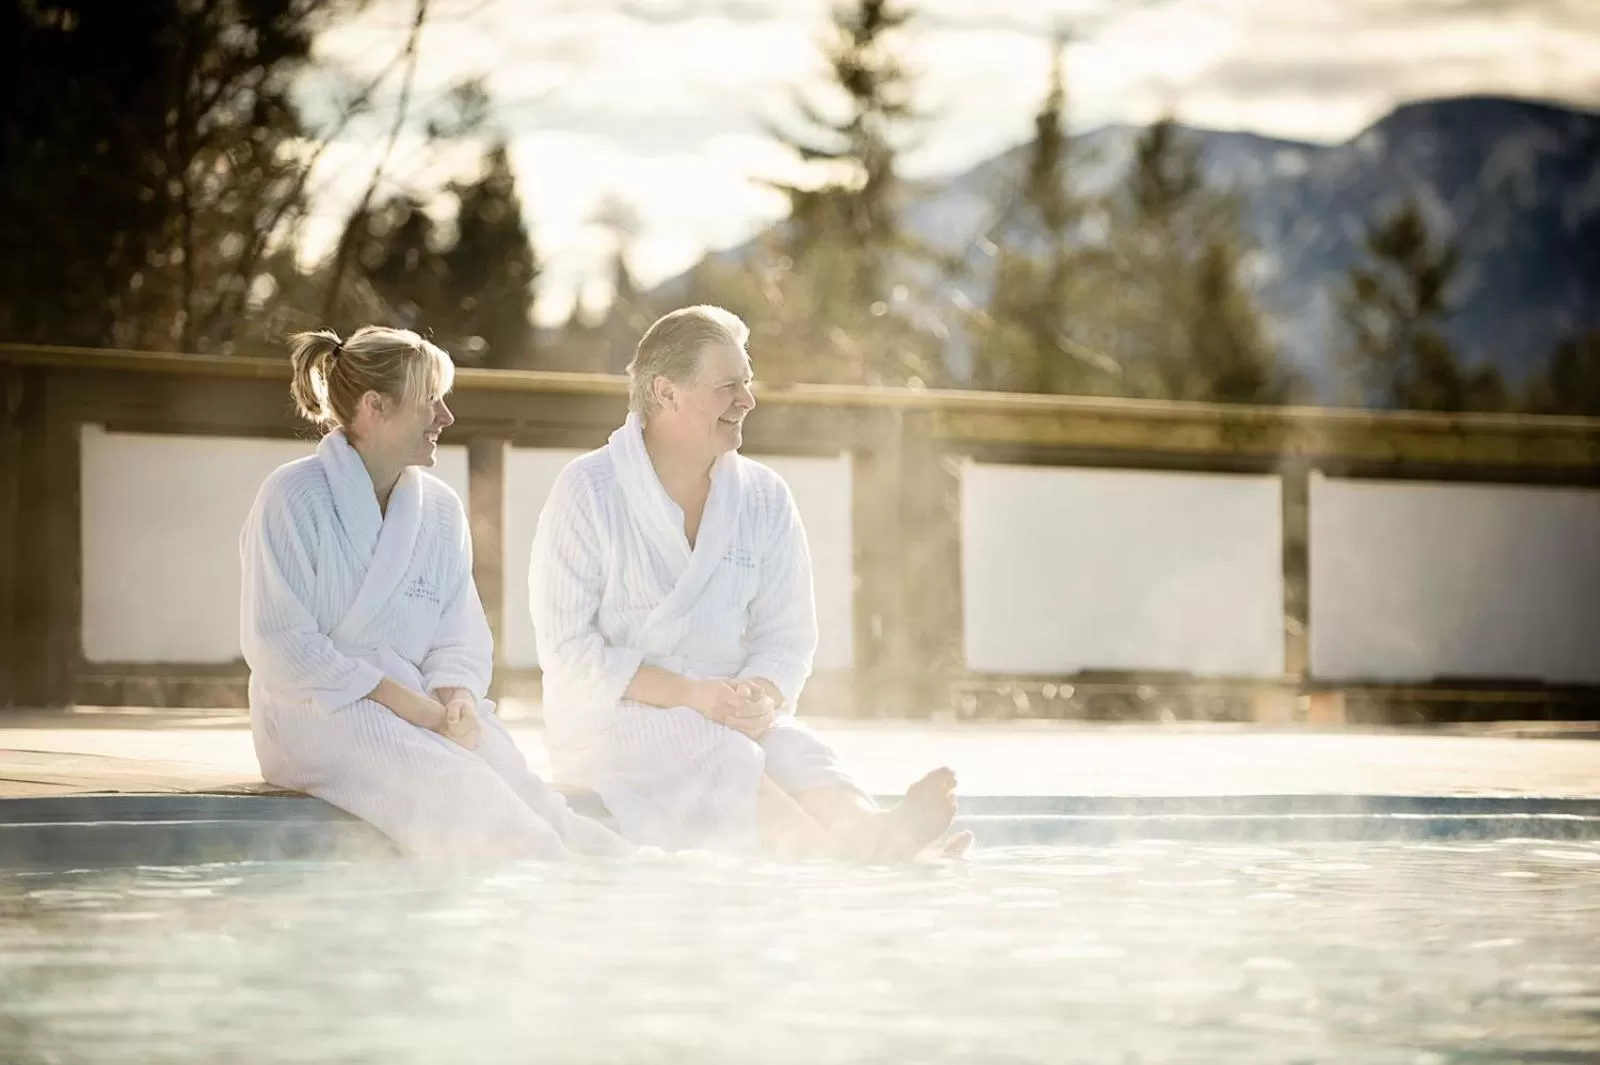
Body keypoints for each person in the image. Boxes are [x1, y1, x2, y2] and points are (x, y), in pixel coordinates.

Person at [529, 305, 966, 861]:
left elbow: (787, 636)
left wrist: (759, 695)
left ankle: (874, 837)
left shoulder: (763, 496)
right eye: (727, 386)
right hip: (613, 721)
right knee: (724, 757)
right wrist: (690, 695)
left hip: (727, 708)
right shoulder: (588, 491)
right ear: (666, 392)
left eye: (747, 383)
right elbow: (569, 652)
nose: (748, 400)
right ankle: (853, 867)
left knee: (797, 752)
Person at [240, 325, 631, 862]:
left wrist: (457, 697)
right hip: (312, 713)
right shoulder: (292, 496)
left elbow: (458, 632)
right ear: (375, 407)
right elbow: (279, 644)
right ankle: (537, 914)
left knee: (532, 797)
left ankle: (623, 882)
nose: (445, 417)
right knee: (473, 801)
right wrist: (405, 703)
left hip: (421, 705)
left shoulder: (440, 509)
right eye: (430, 401)